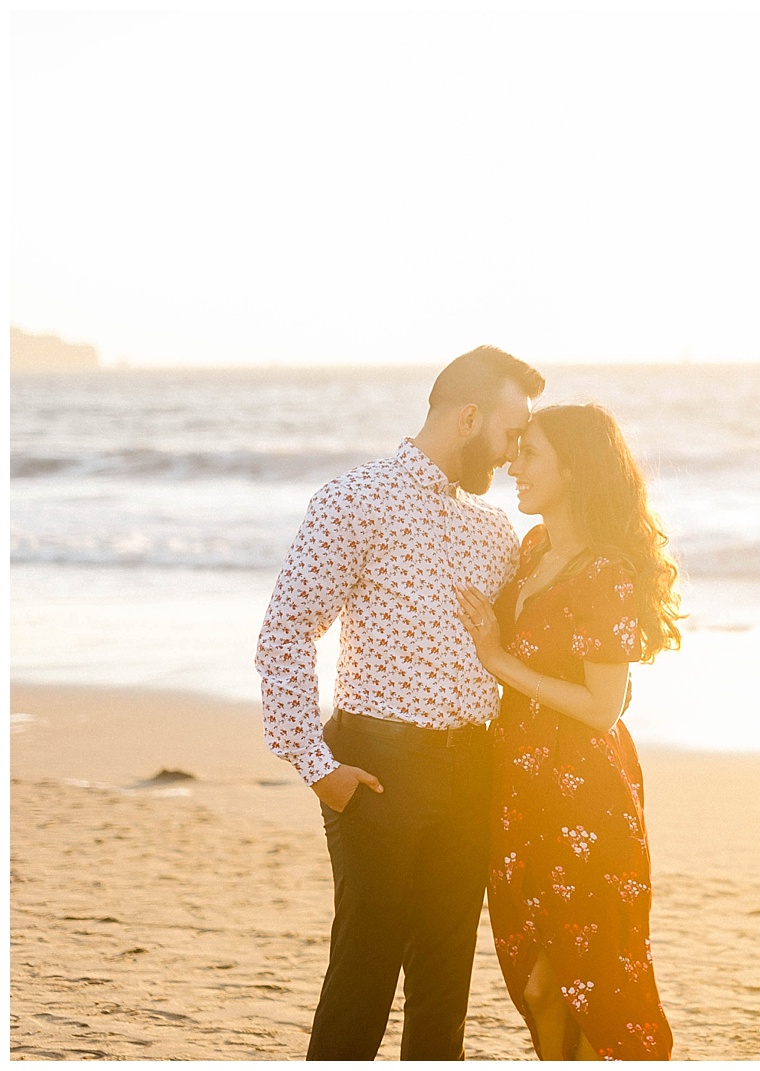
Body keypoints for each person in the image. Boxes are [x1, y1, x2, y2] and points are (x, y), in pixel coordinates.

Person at [255, 346, 545, 1060]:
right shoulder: (354, 499)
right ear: (469, 417)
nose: (513, 453)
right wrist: (315, 763)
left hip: (470, 770)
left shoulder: (494, 531)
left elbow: (524, 650)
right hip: (377, 768)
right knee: (365, 972)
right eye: (510, 432)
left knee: (445, 986)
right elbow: (286, 631)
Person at [455, 403, 683, 1060]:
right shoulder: (532, 551)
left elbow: (601, 707)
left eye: (530, 454)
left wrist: (499, 662)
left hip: (585, 793)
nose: (513, 465)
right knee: (534, 980)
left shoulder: (606, 572)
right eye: (515, 451)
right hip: (519, 787)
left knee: (587, 979)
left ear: (575, 470)